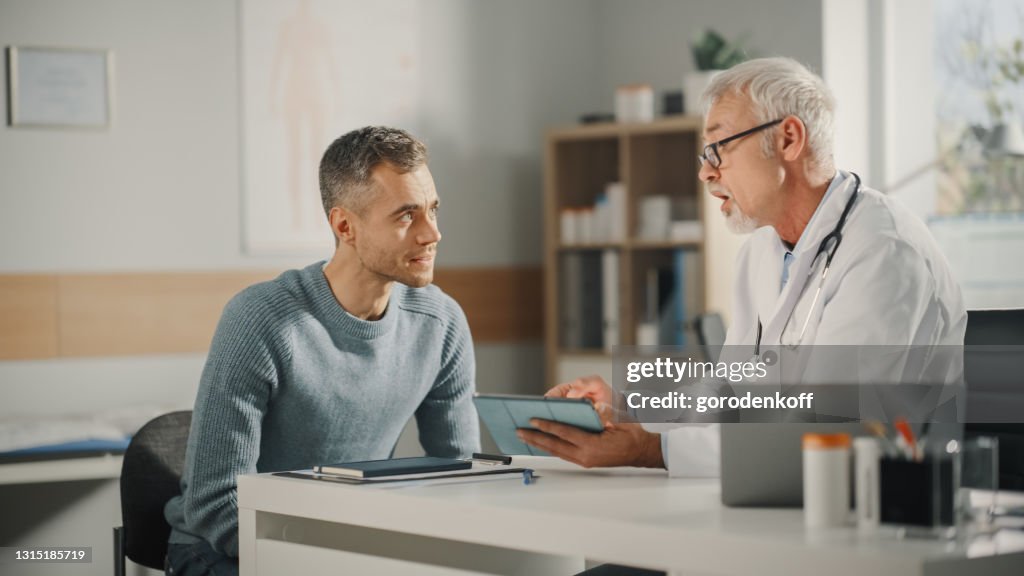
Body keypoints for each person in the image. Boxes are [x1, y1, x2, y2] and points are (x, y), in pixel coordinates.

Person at [518, 57, 966, 478]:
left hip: (889, 508)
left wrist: (650, 449)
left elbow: (834, 429)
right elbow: (728, 390)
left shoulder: (886, 252)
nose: (706, 173)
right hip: (781, 496)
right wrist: (628, 414)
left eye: (719, 147)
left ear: (789, 139)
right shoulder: (762, 251)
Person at [163, 126, 480, 575]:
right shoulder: (259, 319)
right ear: (345, 226)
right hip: (222, 551)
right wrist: (336, 557)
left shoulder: (441, 323)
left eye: (433, 210)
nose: (433, 234)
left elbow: (460, 476)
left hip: (345, 548)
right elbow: (215, 505)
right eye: (407, 215)